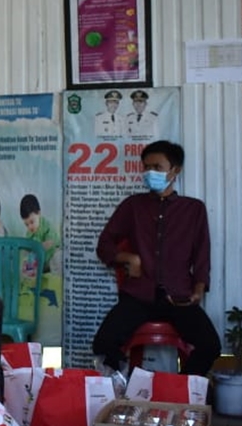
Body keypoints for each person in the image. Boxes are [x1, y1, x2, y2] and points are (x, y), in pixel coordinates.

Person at [92, 140, 221, 377]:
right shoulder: (133, 206)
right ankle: (128, 388)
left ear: (175, 170)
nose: (150, 173)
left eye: (158, 167)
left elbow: (202, 253)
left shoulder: (193, 209)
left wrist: (199, 289)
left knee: (210, 346)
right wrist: (128, 257)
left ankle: (179, 390)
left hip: (178, 297)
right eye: (146, 167)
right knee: (103, 343)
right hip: (138, 296)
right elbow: (104, 245)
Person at [19, 193, 61, 274]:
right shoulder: (29, 234)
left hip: (51, 256)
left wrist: (40, 246)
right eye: (26, 224)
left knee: (58, 257)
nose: (30, 227)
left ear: (39, 213)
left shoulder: (46, 225)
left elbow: (51, 242)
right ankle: (30, 278)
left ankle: (56, 277)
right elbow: (28, 250)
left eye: (32, 222)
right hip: (41, 262)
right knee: (25, 260)